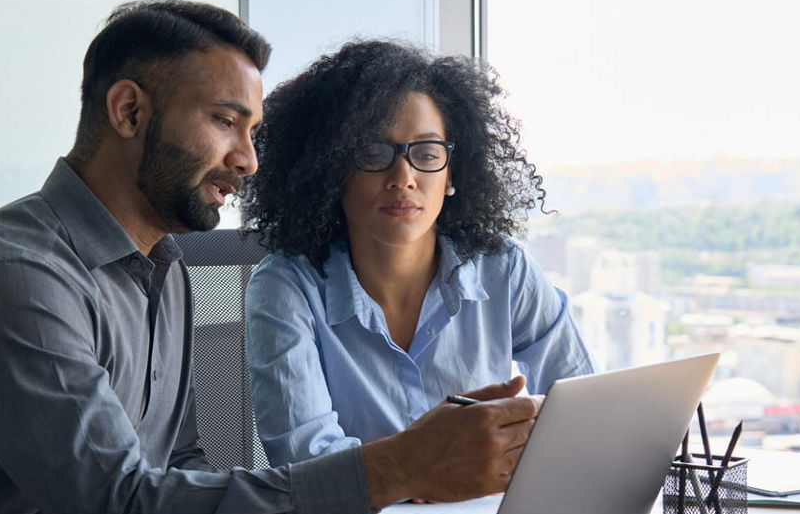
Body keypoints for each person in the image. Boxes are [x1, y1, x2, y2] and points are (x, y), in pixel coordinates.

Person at [0, 1, 540, 514]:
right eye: (225, 122)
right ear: (129, 111)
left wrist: (313, 504)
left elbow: (179, 463)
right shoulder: (14, 279)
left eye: (253, 130)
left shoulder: (163, 268)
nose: (248, 160)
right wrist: (392, 468)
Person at [241, 40, 594, 470]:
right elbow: (307, 464)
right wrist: (424, 471)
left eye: (427, 154)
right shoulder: (286, 287)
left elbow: (582, 408)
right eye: (374, 153)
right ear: (332, 169)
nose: (403, 177)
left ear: (451, 174)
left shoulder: (504, 269)